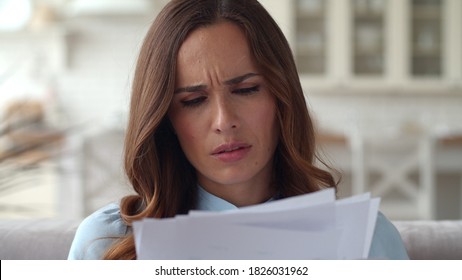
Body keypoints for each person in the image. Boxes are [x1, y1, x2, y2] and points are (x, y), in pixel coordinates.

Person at [68, 0, 408, 260]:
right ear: (165, 118)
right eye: (193, 100)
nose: (223, 120)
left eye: (246, 90)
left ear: (282, 97)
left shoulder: (366, 240)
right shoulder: (106, 244)